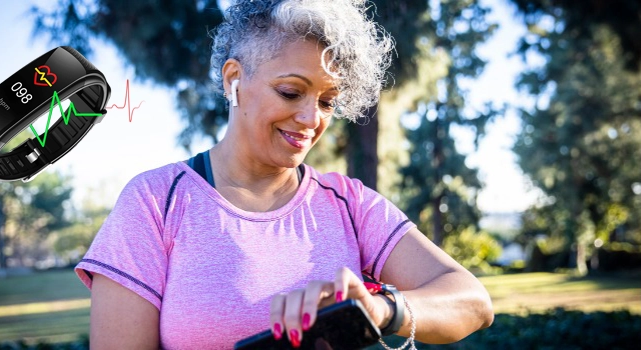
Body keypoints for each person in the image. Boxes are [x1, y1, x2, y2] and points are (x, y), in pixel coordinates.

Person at [75, 0, 494, 349]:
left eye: (328, 101)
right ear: (234, 79)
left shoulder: (349, 204)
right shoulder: (155, 201)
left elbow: (472, 302)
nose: (311, 118)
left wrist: (382, 308)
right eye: (291, 92)